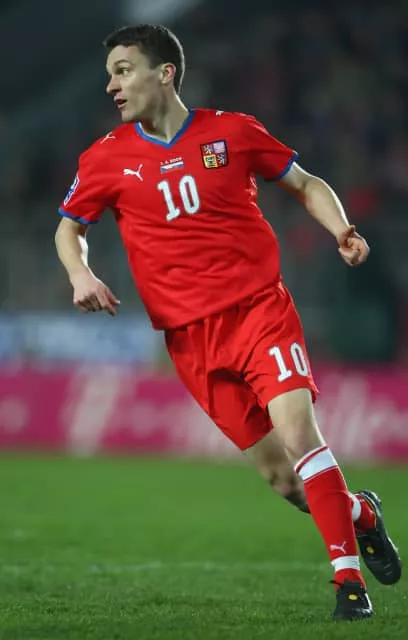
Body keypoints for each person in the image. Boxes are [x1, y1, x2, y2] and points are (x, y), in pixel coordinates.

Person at [55, 24, 401, 621]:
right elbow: (69, 228)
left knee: (301, 437)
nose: (112, 85)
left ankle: (348, 584)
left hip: (259, 311)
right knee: (286, 482)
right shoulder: (105, 157)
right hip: (190, 339)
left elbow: (304, 182)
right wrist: (79, 274)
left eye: (123, 70)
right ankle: (362, 513)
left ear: (164, 72)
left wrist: (341, 229)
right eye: (110, 74)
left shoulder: (232, 132)